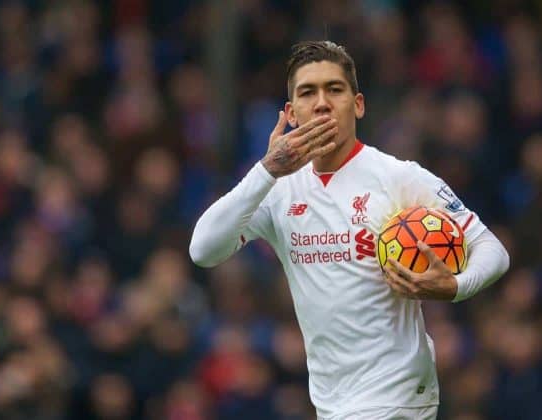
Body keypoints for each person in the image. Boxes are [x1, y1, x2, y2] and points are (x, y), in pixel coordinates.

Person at [189, 41, 509, 420]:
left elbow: (492, 249)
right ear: (292, 113)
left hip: (397, 396)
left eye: (334, 89)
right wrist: (267, 170)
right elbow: (203, 250)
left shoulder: (398, 177)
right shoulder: (278, 190)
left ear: (357, 104)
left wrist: (454, 287)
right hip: (333, 403)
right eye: (308, 92)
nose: (322, 102)